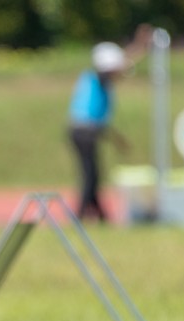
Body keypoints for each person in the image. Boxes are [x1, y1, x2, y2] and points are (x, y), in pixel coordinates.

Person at [68, 26, 152, 222]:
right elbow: (122, 65)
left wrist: (117, 139)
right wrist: (140, 45)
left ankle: (100, 215)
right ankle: (80, 214)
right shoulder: (100, 78)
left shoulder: (94, 79)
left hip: (85, 131)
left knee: (94, 174)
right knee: (90, 175)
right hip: (83, 132)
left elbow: (99, 121)